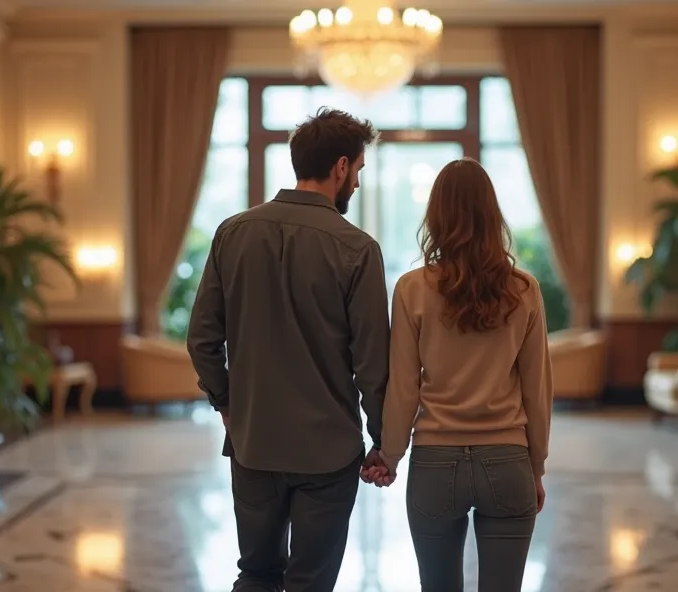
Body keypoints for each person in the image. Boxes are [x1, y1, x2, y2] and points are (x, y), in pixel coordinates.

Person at [187, 107, 391, 592]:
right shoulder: (357, 248)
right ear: (341, 167)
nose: (358, 184)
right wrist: (383, 440)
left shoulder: (232, 233)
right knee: (311, 583)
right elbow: (371, 362)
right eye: (359, 171)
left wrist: (228, 404)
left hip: (254, 444)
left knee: (255, 575)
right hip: (328, 451)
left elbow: (201, 339)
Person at [369, 158, 554, 591]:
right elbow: (537, 390)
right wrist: (536, 465)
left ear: (436, 216)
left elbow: (403, 387)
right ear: (493, 216)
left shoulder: (412, 289)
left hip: (435, 463)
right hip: (508, 461)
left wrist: (389, 455)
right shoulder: (524, 291)